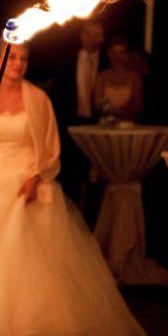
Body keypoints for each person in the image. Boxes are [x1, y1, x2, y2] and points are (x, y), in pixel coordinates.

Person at [0, 39, 149, 336]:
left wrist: (36, 176)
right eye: (11, 57)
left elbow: (51, 147)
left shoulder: (39, 98)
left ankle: (47, 332)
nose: (17, 63)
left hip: (31, 181)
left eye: (23, 58)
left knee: (38, 256)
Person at [49, 18, 106, 223]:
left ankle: (92, 226)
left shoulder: (107, 61)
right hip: (70, 125)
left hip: (97, 127)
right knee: (69, 177)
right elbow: (57, 96)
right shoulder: (67, 61)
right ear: (82, 36)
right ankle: (69, 224)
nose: (95, 39)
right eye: (91, 34)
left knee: (95, 180)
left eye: (98, 34)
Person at [93, 35, 144, 123]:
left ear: (127, 54)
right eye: (113, 53)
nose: (117, 57)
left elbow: (138, 106)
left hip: (128, 123)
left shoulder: (134, 77)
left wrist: (122, 112)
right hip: (106, 124)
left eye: (121, 53)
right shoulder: (101, 77)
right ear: (108, 53)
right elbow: (97, 104)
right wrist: (111, 113)